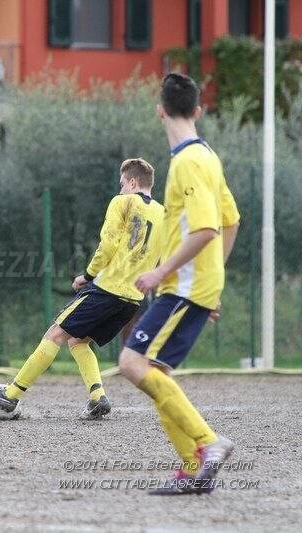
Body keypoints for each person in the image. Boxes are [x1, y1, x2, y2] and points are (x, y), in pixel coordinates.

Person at [117, 74, 240, 495]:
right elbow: (231, 221)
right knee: (157, 373)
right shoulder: (208, 155)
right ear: (198, 111)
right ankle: (193, 470)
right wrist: (215, 280)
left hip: (183, 286)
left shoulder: (188, 161)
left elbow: (206, 228)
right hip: (198, 285)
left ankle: (208, 443)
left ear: (160, 111)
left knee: (131, 364)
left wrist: (159, 271)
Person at [0, 158, 165, 421]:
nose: (121, 188)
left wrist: (87, 276)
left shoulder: (122, 202)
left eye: (122, 184)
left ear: (132, 182)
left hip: (108, 288)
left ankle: (10, 396)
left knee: (55, 333)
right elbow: (161, 259)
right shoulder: (162, 213)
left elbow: (108, 245)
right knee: (78, 340)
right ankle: (98, 397)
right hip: (133, 298)